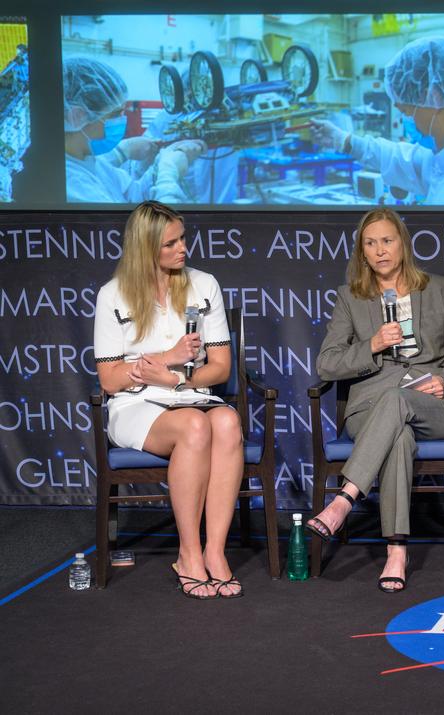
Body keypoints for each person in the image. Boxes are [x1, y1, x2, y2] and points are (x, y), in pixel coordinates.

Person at [306, 208, 444, 592]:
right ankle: (397, 551)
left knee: (400, 402)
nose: (380, 250)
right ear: (361, 252)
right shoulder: (350, 298)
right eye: (371, 243)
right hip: (370, 407)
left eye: (387, 240)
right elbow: (327, 364)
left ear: (402, 243)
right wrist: (372, 344)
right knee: (397, 432)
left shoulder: (438, 287)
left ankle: (343, 500)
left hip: (433, 403)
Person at [92, 200, 244, 599]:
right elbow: (109, 379)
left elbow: (221, 368)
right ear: (146, 250)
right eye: (170, 244)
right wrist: (167, 359)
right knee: (195, 425)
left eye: (183, 238)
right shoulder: (112, 295)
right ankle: (188, 554)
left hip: (189, 392)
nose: (183, 249)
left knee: (226, 420)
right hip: (135, 404)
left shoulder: (204, 284)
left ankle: (215, 552)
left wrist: (177, 379)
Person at [310, 37, 444, 204]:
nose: (407, 122)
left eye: (406, 111)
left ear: (435, 97)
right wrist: (343, 140)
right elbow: (397, 157)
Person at [63, 57, 205, 204]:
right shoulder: (72, 185)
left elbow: (134, 195)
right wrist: (168, 174)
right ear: (77, 117)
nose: (122, 120)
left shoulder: (90, 160)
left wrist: (157, 166)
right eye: (115, 114)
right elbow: (154, 227)